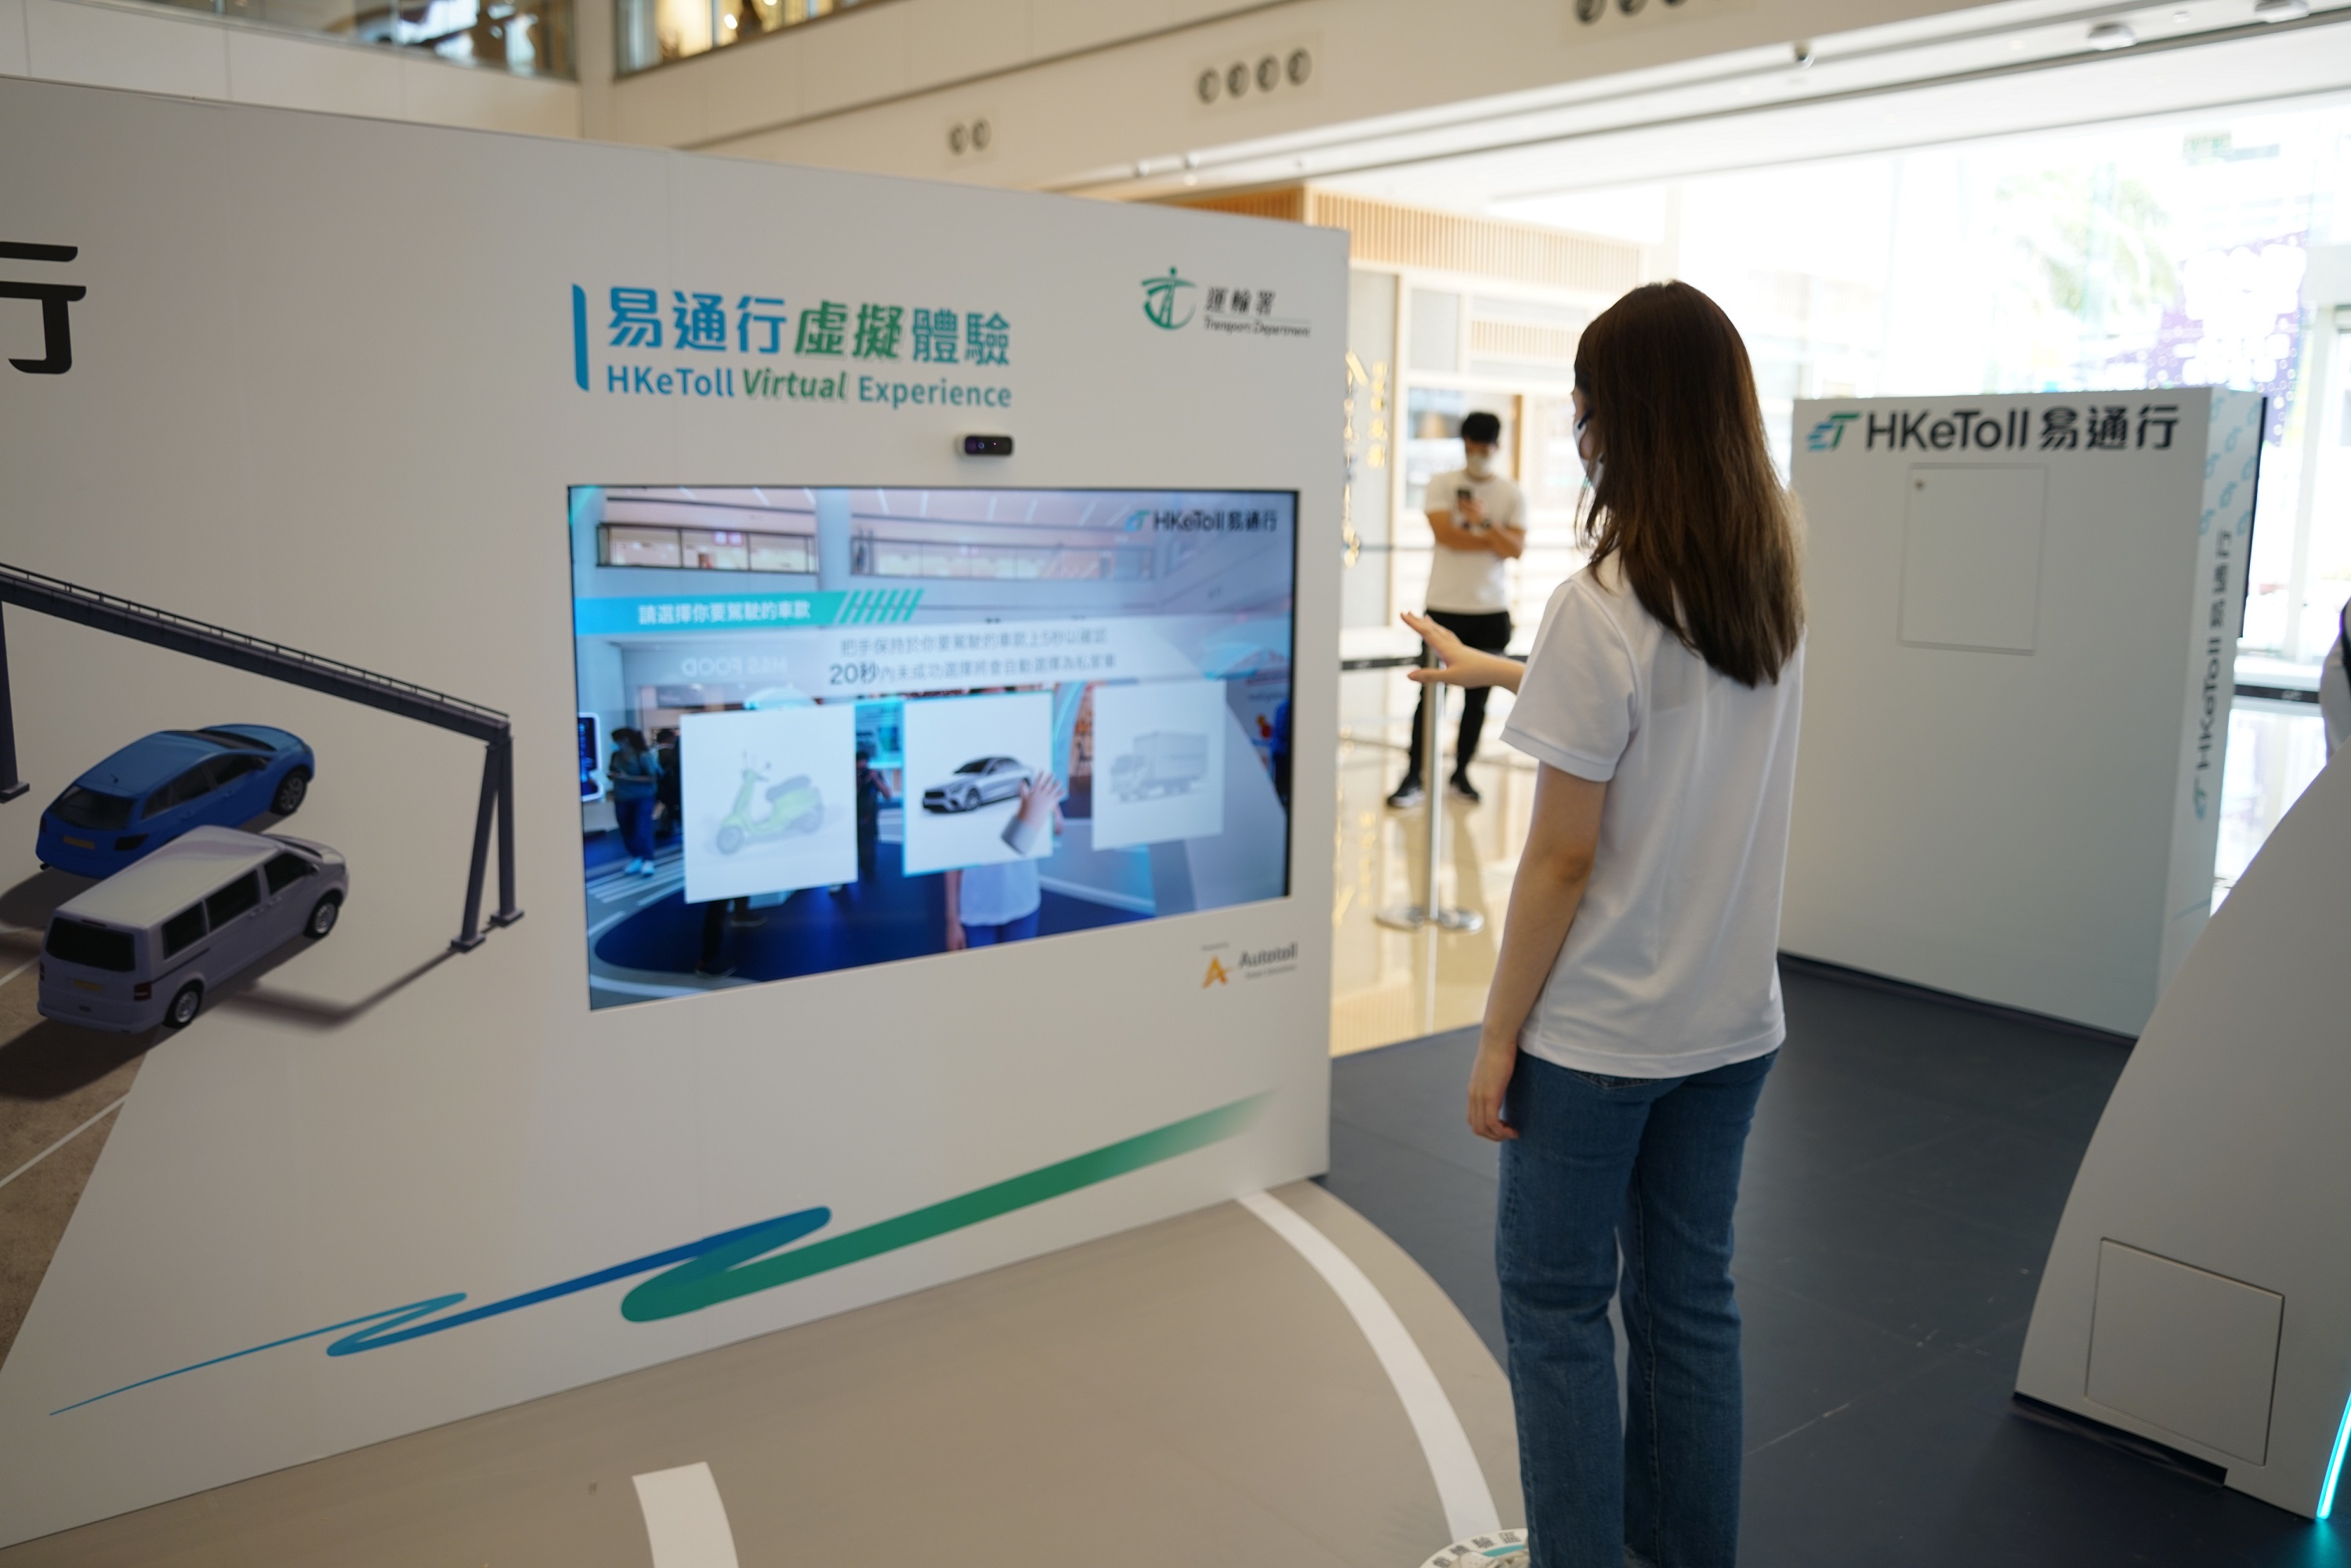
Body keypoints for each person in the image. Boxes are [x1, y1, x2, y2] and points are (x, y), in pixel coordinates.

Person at [1406, 281, 1805, 1568]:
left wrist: (1494, 1039)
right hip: (1732, 1024)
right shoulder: (1768, 586)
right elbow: (1668, 705)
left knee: (1557, 1310)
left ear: (1620, 419)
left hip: (1597, 1037)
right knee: (1691, 1307)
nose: (1578, 428)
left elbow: (1561, 859)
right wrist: (1500, 672)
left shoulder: (1601, 602)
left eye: (1586, 403)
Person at [1389, 409, 1527, 810]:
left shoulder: (1511, 493)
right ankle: (1414, 774)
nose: (1477, 454)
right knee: (1431, 694)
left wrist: (1484, 524)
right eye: (1471, 446)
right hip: (1444, 608)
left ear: (1496, 447)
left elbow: (1515, 549)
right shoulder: (1442, 483)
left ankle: (1462, 772)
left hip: (1490, 611)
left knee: (1477, 701)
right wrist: (1492, 538)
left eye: (1484, 447)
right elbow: (1445, 534)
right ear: (1463, 444)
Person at [943, 770, 1063, 948]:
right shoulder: (962, 782)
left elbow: (1058, 827)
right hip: (976, 908)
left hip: (1022, 901)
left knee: (1019, 966)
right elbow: (951, 858)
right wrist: (952, 921)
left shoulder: (1030, 774)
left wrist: (1038, 811)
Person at [607, 727, 661, 876]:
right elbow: (613, 772)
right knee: (626, 830)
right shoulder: (616, 755)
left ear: (625, 740)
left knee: (642, 829)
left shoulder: (642, 755)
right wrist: (611, 776)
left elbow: (653, 777)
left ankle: (648, 859)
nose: (613, 743)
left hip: (642, 798)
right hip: (622, 798)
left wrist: (628, 778)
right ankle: (637, 857)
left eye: (615, 740)